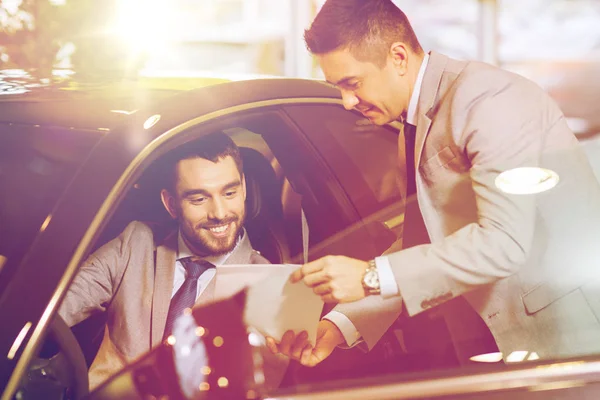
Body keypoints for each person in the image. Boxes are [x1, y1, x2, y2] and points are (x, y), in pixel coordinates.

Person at [268, 0, 600, 368]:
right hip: (491, 348)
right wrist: (339, 326)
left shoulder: (489, 101)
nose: (346, 101)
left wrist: (368, 276)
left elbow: (504, 243)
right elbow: (421, 241)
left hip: (565, 343)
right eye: (338, 86)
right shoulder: (411, 123)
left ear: (397, 57)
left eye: (353, 83)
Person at [59, 132, 273, 390]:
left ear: (244, 188)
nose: (219, 213)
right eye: (199, 199)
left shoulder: (266, 282)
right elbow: (57, 304)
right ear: (171, 204)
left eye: (230, 193)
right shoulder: (135, 241)